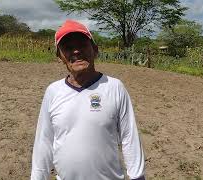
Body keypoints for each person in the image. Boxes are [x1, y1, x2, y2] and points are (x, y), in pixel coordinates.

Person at [30, 19, 145, 180]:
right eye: (68, 48)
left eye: (82, 45)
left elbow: (129, 136)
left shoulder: (114, 87)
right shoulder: (53, 92)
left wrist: (137, 177)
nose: (76, 51)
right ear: (59, 56)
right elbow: (44, 142)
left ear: (95, 50)